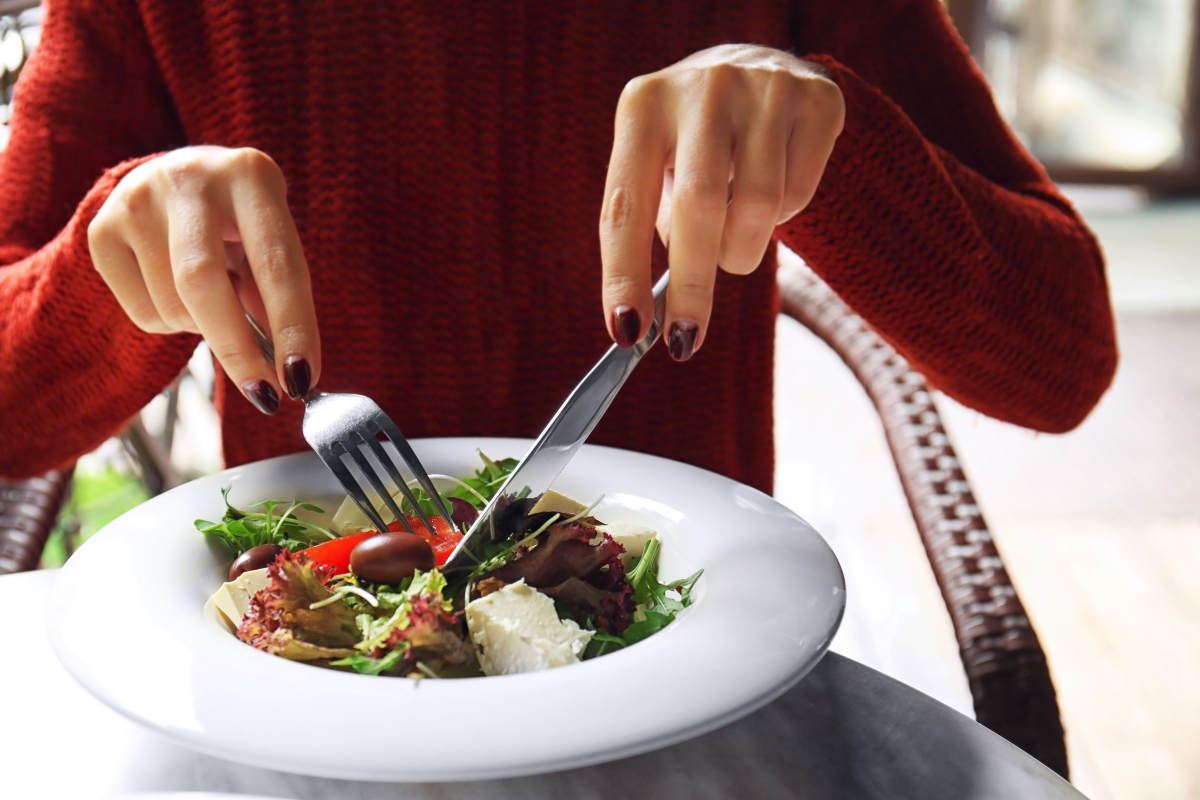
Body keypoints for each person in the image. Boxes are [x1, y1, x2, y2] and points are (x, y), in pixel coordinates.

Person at [0, 1, 1117, 493]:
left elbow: (1063, 359)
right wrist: (115, 267)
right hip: (311, 684)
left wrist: (837, 138)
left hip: (694, 652)